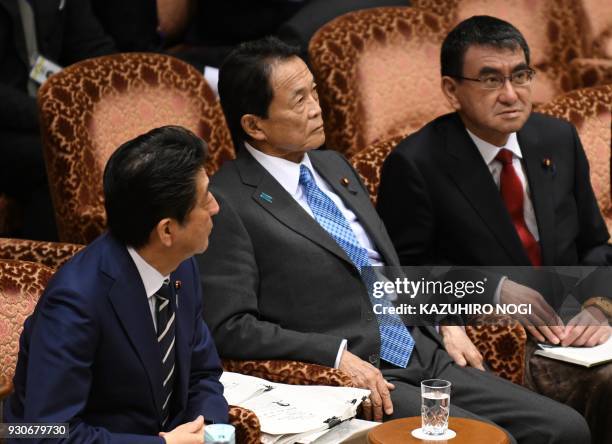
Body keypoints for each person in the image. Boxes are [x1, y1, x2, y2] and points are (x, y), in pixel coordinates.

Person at [197, 36, 590, 444]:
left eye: (315, 91)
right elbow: (229, 325)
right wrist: (332, 354)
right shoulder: (228, 202)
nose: (317, 108)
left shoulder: (332, 165)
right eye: (299, 100)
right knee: (488, 440)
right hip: (366, 376)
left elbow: (386, 264)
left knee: (565, 428)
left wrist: (441, 317)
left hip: (423, 349)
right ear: (254, 124)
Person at [377, 15, 611, 443]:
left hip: (583, 327)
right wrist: (494, 287)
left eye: (520, 75)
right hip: (506, 335)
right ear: (452, 90)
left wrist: (599, 306)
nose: (510, 94)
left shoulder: (557, 138)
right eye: (489, 80)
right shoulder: (416, 165)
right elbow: (403, 279)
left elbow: (597, 246)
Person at [4, 126, 228, 443]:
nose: (216, 207)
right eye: (205, 199)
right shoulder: (75, 303)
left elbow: (202, 372)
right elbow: (47, 434)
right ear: (167, 231)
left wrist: (207, 428)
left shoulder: (181, 266)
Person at [0, 0, 116, 240]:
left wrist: (118, 91)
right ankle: (46, 267)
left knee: (123, 139)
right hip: (12, 124)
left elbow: (92, 48)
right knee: (55, 157)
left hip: (53, 115)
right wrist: (55, 114)